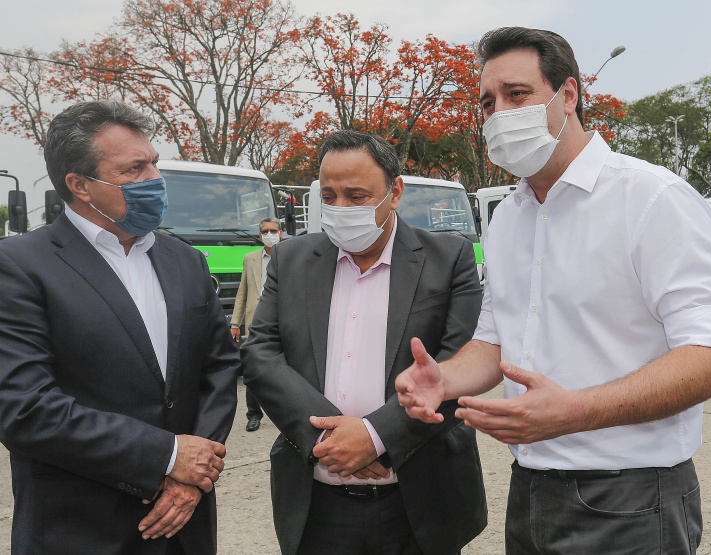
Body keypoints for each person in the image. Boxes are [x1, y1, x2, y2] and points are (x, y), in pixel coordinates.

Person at [396, 27, 711, 554]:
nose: (498, 114)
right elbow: (495, 339)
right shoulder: (509, 216)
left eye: (517, 95)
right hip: (531, 491)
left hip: (630, 497)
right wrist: (442, 380)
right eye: (487, 103)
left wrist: (574, 411)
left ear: (569, 95)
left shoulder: (653, 199)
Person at [0, 100, 239, 555]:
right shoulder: (18, 266)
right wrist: (166, 457)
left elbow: (220, 368)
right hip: (81, 531)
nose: (155, 179)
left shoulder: (184, 259)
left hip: (185, 524)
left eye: (153, 163)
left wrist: (196, 472)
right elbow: (24, 408)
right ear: (80, 185)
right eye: (135, 169)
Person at [242, 130, 487, 555]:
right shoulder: (291, 259)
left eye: (356, 196)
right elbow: (261, 353)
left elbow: (459, 361)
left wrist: (377, 437)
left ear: (395, 192)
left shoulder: (449, 259)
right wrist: (333, 442)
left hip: (421, 500)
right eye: (330, 196)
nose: (340, 209)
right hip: (317, 503)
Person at [230, 217, 283, 432]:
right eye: (265, 231)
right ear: (260, 235)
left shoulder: (289, 255)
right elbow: (242, 293)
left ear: (281, 233)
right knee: (252, 367)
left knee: (283, 370)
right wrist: (235, 323)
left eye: (273, 230)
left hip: (282, 321)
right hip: (255, 323)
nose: (269, 234)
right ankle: (253, 415)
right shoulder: (250, 258)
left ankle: (283, 414)